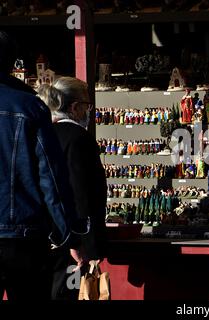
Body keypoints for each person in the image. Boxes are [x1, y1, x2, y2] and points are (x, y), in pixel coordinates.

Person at [0, 31, 85, 300]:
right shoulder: (30, 107)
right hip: (22, 237)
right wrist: (66, 234)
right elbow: (51, 177)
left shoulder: (30, 106)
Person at [37, 77, 107, 300]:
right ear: (76, 107)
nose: (88, 112)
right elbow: (81, 194)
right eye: (87, 106)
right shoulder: (79, 139)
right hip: (71, 244)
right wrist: (85, 244)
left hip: (45, 238)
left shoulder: (43, 134)